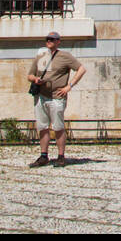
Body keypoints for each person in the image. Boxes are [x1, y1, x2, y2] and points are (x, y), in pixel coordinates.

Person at [27, 31, 86, 167]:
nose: (49, 41)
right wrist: (35, 79)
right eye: (48, 39)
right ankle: (43, 155)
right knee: (42, 127)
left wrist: (69, 86)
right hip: (41, 96)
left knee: (58, 127)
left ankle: (60, 156)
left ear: (58, 41)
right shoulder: (41, 56)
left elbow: (81, 69)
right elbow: (30, 75)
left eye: (52, 39)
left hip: (56, 97)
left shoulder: (65, 56)